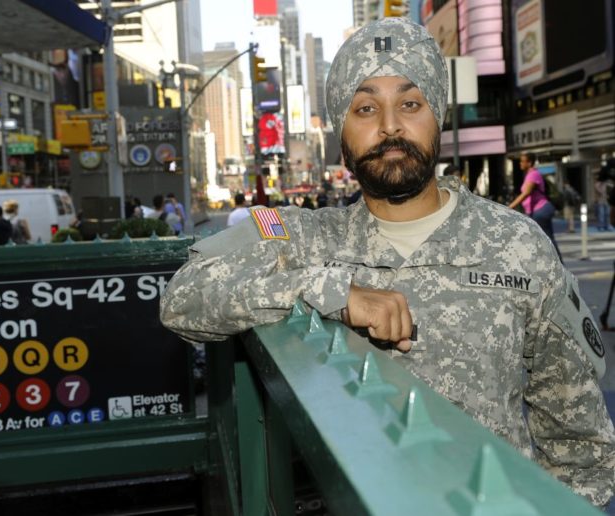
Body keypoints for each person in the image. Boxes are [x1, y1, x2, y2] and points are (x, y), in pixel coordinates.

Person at [160, 17, 615, 508]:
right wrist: (328, 291)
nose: (390, 125)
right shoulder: (306, 238)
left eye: (410, 103)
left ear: (437, 115)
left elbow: (578, 437)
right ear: (341, 138)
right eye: (366, 108)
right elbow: (182, 298)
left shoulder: (519, 244)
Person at [508, 152, 561, 259]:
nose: (520, 164)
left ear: (530, 162)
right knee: (543, 240)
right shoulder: (530, 175)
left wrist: (510, 207)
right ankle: (556, 266)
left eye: (523, 161)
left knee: (545, 240)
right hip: (537, 211)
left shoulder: (533, 175)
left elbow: (526, 193)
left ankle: (558, 266)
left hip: (540, 210)